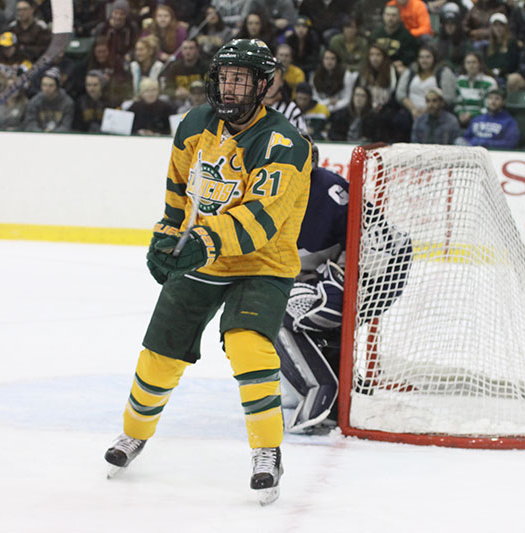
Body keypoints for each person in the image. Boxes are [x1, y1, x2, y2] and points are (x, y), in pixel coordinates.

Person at [104, 39, 311, 506]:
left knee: (247, 343)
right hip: (204, 253)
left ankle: (267, 451)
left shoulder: (285, 144)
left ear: (263, 86)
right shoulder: (195, 124)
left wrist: (199, 241)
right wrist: (166, 235)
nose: (230, 85)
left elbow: (261, 219)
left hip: (262, 262)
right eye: (225, 76)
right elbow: (179, 193)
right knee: (161, 349)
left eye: (242, 78)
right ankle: (133, 434)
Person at [275, 140, 412, 433]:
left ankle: (321, 391)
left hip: (373, 275)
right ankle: (341, 387)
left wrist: (334, 284)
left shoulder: (328, 192)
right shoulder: (274, 191)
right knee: (282, 312)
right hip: (346, 273)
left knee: (283, 315)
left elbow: (383, 250)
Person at [370, 4, 419, 76]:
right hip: (378, 64)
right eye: (388, 15)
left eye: (393, 15)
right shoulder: (376, 33)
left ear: (399, 17)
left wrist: (402, 62)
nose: (390, 18)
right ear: (383, 16)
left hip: (397, 66)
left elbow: (410, 54)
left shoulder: (407, 35)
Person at [160, 39, 209, 108]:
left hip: (199, 99)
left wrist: (192, 94)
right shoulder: (175, 67)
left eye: (191, 48)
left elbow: (210, 88)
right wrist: (175, 92)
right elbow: (166, 88)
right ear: (182, 51)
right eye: (185, 48)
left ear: (197, 50)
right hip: (180, 100)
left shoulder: (205, 67)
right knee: (163, 98)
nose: (187, 51)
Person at [23, 67, 74, 132]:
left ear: (57, 86)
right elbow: (29, 123)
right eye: (44, 85)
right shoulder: (35, 101)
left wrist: (52, 134)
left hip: (59, 138)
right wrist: (42, 133)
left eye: (51, 85)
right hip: (38, 136)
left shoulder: (68, 102)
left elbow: (66, 126)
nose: (47, 89)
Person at [455, 51, 498, 128]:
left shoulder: (489, 82)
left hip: (483, 119)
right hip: (462, 119)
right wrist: (461, 113)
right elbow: (457, 103)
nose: (471, 65)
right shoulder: (459, 81)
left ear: (480, 64)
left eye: (474, 62)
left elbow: (490, 105)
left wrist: (472, 115)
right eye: (468, 63)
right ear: (464, 65)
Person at [263, 62, 308, 134]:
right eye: (265, 79)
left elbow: (304, 142)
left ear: (281, 82)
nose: (268, 84)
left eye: (273, 80)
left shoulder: (292, 110)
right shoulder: (251, 107)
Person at [310, 47, 356, 114]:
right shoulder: (315, 76)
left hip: (340, 109)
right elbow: (314, 98)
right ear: (322, 60)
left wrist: (331, 109)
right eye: (327, 58)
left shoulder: (346, 75)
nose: (329, 61)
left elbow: (347, 99)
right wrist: (328, 102)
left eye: (332, 59)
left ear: (337, 61)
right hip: (321, 108)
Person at [485, 12, 520, 83]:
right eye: (495, 25)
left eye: (501, 25)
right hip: (491, 76)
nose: (498, 28)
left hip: (505, 76)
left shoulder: (511, 43)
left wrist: (500, 71)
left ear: (506, 27)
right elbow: (487, 63)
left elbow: (512, 64)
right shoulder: (488, 45)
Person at [129, 35, 164, 99]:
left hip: (155, 100)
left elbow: (162, 88)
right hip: (137, 99)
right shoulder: (133, 66)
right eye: (136, 50)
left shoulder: (159, 67)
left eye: (141, 50)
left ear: (150, 51)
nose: (138, 53)